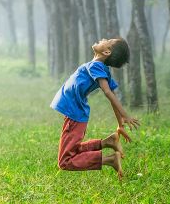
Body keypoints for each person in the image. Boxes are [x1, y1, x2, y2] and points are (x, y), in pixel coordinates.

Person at [50, 38, 139, 180]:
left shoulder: (96, 66)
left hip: (75, 114)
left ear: (106, 51)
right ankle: (107, 142)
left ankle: (110, 160)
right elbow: (112, 94)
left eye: (108, 40)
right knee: (73, 150)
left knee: (65, 161)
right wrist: (120, 124)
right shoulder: (100, 68)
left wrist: (125, 115)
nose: (103, 39)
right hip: (75, 113)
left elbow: (109, 93)